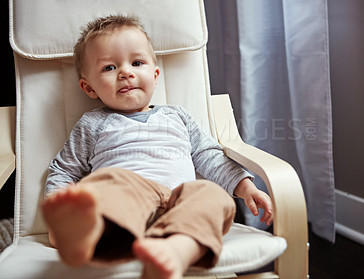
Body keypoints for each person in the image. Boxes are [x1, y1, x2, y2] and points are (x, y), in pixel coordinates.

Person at [41, 15, 273, 279]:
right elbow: (65, 171)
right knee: (111, 181)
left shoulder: (178, 117)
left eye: (137, 63)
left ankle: (178, 248)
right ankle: (85, 232)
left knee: (213, 196)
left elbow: (209, 156)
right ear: (88, 87)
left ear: (154, 74)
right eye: (109, 68)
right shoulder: (93, 123)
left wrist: (245, 187)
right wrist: (59, 217)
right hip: (126, 208)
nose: (126, 72)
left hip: (180, 202)